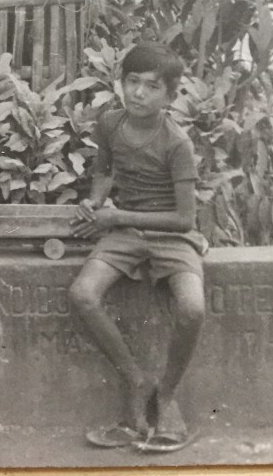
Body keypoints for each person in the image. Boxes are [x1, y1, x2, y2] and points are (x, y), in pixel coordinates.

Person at [68, 42, 205, 453]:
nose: (139, 93)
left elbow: (185, 219)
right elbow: (105, 170)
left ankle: (167, 395)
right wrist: (95, 203)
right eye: (132, 81)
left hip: (172, 237)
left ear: (170, 96)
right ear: (121, 82)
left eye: (152, 86)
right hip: (125, 233)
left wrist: (117, 217)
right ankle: (136, 380)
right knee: (82, 294)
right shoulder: (110, 123)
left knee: (192, 308)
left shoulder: (177, 143)